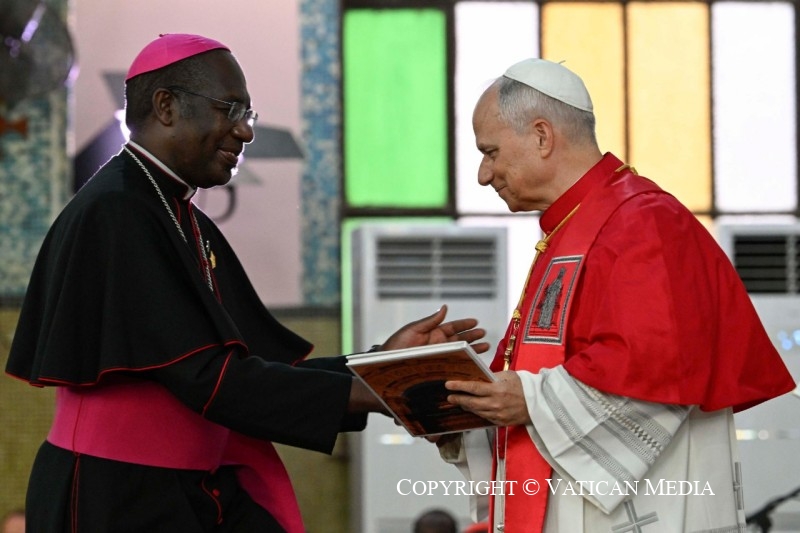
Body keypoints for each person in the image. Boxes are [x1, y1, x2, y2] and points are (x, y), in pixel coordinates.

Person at [4, 33, 487, 533]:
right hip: (116, 496)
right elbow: (210, 379)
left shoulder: (180, 216)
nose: (246, 132)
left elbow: (251, 367)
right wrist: (379, 388)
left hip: (181, 487)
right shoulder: (118, 212)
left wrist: (383, 363)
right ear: (166, 106)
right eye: (230, 109)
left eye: (248, 115)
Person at [434, 58, 796, 532]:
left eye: (491, 152)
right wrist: (456, 407)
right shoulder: (569, 230)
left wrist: (530, 401)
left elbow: (655, 365)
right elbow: (535, 383)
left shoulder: (644, 222)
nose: (485, 174)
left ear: (542, 136)